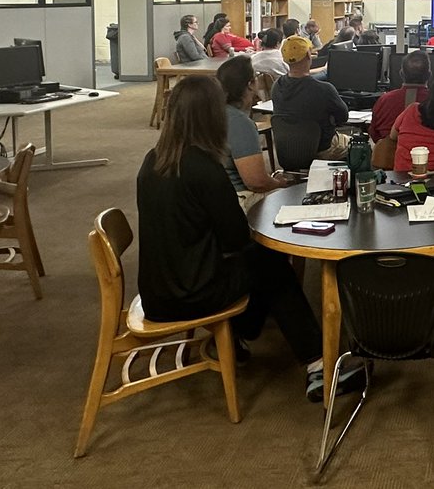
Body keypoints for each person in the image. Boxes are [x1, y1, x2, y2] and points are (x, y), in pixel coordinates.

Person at [135, 75, 362, 402]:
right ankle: (318, 365)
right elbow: (236, 239)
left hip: (159, 288)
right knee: (270, 263)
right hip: (191, 292)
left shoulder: (152, 161)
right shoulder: (204, 169)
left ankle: (245, 332)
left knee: (262, 266)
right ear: (210, 116)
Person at [216, 55, 294, 207]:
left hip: (212, 196)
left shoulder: (212, 111)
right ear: (250, 84)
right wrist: (279, 183)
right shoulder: (240, 123)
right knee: (291, 199)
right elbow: (256, 182)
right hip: (237, 198)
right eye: (256, 77)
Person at [271, 35, 350, 160]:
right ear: (308, 54)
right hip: (324, 149)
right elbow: (343, 117)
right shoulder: (325, 89)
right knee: (360, 146)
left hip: (288, 149)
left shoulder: (276, 86)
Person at [369, 50, 430, 142]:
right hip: (426, 154)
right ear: (429, 75)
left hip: (388, 155)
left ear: (401, 74)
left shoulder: (384, 100)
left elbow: (374, 134)